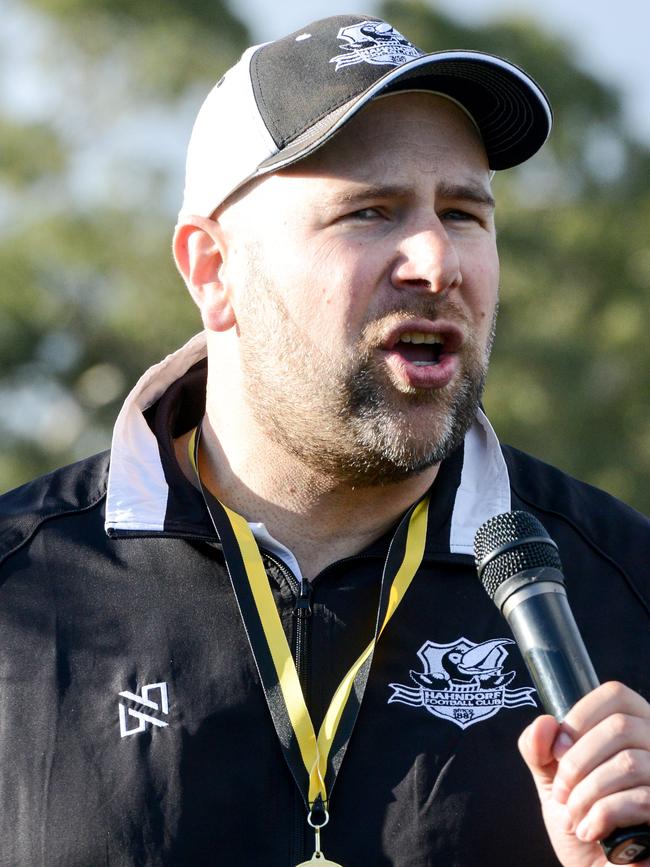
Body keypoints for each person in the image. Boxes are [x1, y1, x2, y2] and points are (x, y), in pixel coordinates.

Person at [0, 13, 648, 867]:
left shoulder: (628, 590)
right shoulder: (22, 597)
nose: (435, 260)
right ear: (211, 269)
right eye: (368, 211)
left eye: (463, 212)